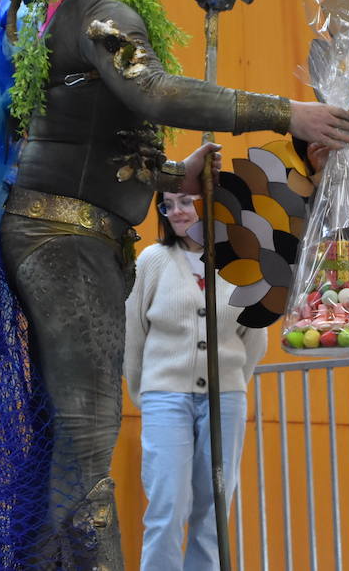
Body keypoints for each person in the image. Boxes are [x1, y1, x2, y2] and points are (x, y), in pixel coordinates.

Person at [0, 0, 349, 567]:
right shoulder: (103, 7)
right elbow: (152, 90)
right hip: (62, 236)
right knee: (86, 439)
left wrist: (168, 169)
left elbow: (106, 128)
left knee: (75, 436)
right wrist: (288, 113)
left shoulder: (115, 9)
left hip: (87, 234)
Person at [124, 191, 267, 570]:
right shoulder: (152, 261)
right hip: (163, 395)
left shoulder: (239, 263)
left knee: (215, 506)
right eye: (167, 205)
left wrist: (232, 381)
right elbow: (133, 335)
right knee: (167, 504)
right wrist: (146, 392)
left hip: (226, 398)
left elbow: (254, 336)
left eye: (185, 201)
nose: (177, 212)